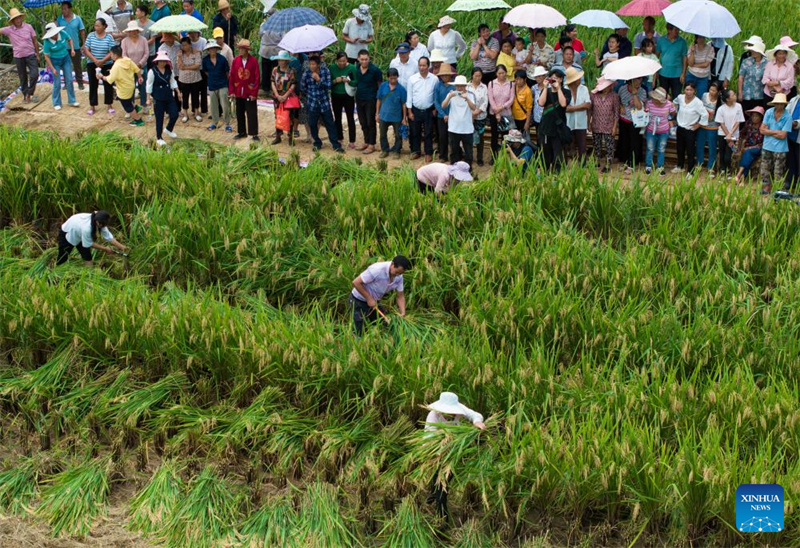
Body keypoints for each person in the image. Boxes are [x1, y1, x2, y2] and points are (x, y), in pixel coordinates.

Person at [423, 391, 485, 522]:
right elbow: (429, 440)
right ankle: (442, 517)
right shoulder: (433, 416)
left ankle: (434, 495)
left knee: (443, 482)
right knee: (441, 485)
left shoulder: (460, 409)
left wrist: (477, 422)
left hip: (453, 452)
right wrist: (444, 446)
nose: (452, 414)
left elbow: (475, 415)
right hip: (436, 453)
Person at [349, 256, 411, 335]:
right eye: (397, 272)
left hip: (374, 302)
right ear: (392, 264)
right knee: (359, 330)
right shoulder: (377, 270)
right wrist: (368, 298)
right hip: (358, 300)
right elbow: (356, 282)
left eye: (401, 273)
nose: (398, 275)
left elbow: (400, 296)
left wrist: (403, 313)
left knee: (384, 324)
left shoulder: (399, 277)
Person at [301, 55, 344, 154]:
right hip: (312, 103)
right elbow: (303, 87)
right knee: (312, 123)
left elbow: (329, 86)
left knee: (330, 124)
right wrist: (310, 95)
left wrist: (319, 80)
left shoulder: (325, 71)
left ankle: (335, 144)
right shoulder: (306, 73)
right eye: (310, 64)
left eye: (313, 64)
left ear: (318, 65)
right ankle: (317, 143)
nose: (311, 66)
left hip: (324, 103)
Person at [57, 211, 127, 266]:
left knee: (88, 257)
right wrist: (105, 249)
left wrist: (122, 247)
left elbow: (108, 236)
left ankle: (89, 276)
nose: (104, 227)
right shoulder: (86, 228)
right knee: (63, 257)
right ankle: (57, 275)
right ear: (98, 223)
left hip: (80, 231)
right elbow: (89, 244)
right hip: (68, 232)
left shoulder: (100, 218)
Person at [0, 8, 40, 104]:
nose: (18, 20)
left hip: (30, 54)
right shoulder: (9, 30)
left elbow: (35, 40)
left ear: (21, 18)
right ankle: (26, 95)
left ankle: (29, 92)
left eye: (19, 18)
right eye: (15, 19)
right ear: (12, 21)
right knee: (23, 77)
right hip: (18, 57)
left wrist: (37, 54)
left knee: (35, 74)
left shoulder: (28, 27)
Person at [101, 45, 144, 126]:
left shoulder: (116, 66)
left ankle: (138, 120)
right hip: (131, 86)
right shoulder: (127, 60)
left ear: (115, 55)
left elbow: (110, 79)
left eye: (111, 54)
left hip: (123, 89)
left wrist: (101, 77)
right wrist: (140, 77)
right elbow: (137, 69)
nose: (110, 55)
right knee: (128, 100)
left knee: (127, 106)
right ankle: (136, 108)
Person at [537, 66, 570, 171]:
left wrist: (558, 88)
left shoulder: (566, 92)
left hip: (558, 129)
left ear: (561, 79)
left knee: (558, 155)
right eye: (552, 77)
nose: (554, 79)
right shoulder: (545, 90)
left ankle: (557, 175)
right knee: (545, 154)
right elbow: (541, 103)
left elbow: (563, 103)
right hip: (545, 128)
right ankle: (545, 174)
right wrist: (545, 87)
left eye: (556, 78)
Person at [672, 82, 708, 173]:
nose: (688, 92)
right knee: (680, 148)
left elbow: (705, 115)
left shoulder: (698, 102)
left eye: (691, 90)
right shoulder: (680, 97)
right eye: (687, 89)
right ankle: (680, 166)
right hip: (680, 128)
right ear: (684, 90)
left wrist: (698, 125)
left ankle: (690, 171)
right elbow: (674, 102)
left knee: (690, 151)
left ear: (694, 91)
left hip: (690, 130)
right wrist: (675, 111)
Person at [406, 56, 438, 162]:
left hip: (429, 110)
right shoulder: (412, 79)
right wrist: (409, 112)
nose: (422, 67)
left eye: (424, 65)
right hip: (415, 110)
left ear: (428, 66)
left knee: (428, 132)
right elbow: (409, 96)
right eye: (420, 65)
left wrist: (435, 108)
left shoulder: (434, 79)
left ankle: (428, 153)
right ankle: (416, 151)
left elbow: (435, 95)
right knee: (415, 132)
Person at [760, 93, 793, 194]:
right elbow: (761, 130)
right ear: (774, 104)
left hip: (780, 148)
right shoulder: (769, 112)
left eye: (781, 104)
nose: (779, 106)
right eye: (777, 103)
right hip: (767, 146)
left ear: (784, 104)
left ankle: (778, 191)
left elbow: (783, 135)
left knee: (778, 171)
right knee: (764, 169)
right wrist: (776, 131)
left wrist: (769, 131)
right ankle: (766, 188)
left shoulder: (787, 116)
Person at [146, 50, 180, 146]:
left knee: (175, 114)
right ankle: (159, 137)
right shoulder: (152, 71)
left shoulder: (169, 70)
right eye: (161, 61)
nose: (162, 63)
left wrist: (178, 92)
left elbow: (172, 81)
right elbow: (149, 85)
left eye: (164, 61)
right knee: (159, 118)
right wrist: (148, 98)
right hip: (158, 97)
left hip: (169, 95)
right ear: (157, 61)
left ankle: (169, 129)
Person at [42, 23, 79, 111]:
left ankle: (72, 100)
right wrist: (53, 68)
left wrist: (72, 49)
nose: (54, 36)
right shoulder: (47, 42)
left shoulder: (62, 33)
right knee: (57, 83)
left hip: (66, 58)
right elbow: (46, 56)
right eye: (52, 35)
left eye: (55, 34)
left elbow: (69, 39)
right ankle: (57, 103)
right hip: (54, 61)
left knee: (69, 79)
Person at [442, 74, 477, 166]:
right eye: (457, 86)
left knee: (468, 152)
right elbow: (443, 105)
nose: (459, 88)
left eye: (461, 86)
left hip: (467, 128)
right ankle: (454, 171)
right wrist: (450, 96)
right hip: (454, 128)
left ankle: (468, 170)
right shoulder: (451, 94)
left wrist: (467, 98)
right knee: (454, 151)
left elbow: (473, 107)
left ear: (465, 86)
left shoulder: (470, 95)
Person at [83, 18, 116, 115]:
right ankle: (92, 106)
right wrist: (95, 60)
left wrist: (102, 61)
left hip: (107, 64)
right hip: (92, 64)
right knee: (93, 84)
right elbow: (86, 49)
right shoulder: (91, 36)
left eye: (98, 25)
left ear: (104, 26)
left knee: (108, 84)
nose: (96, 27)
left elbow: (112, 51)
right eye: (95, 25)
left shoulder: (109, 37)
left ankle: (109, 104)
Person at [230, 39, 260, 141]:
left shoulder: (253, 61)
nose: (240, 50)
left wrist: (254, 93)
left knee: (251, 113)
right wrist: (232, 91)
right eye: (239, 48)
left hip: (249, 91)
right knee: (239, 112)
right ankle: (241, 132)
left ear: (247, 50)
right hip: (238, 91)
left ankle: (254, 133)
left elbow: (257, 78)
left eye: (242, 49)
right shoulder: (235, 61)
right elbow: (232, 76)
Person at [354, 49, 382, 154]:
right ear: (358, 59)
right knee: (362, 121)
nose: (364, 61)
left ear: (369, 59)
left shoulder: (375, 70)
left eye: (366, 59)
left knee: (371, 122)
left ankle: (372, 144)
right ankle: (366, 141)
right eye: (362, 59)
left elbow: (380, 85)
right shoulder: (356, 68)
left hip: (371, 99)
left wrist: (379, 100)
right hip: (359, 98)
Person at [376, 67, 407, 159]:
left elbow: (403, 104)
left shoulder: (401, 89)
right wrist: (377, 113)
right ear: (388, 77)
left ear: (397, 77)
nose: (393, 79)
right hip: (383, 116)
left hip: (396, 116)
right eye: (391, 78)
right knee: (382, 134)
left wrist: (404, 118)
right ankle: (385, 150)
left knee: (398, 135)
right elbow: (379, 100)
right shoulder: (383, 86)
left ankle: (397, 151)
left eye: (395, 77)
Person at [617, 77, 647, 174]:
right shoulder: (622, 88)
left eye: (640, 79)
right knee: (625, 142)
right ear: (630, 81)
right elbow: (618, 100)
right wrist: (620, 106)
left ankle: (632, 164)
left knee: (634, 143)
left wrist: (634, 94)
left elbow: (639, 107)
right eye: (637, 79)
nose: (640, 81)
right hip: (623, 119)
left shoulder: (642, 91)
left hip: (635, 121)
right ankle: (625, 162)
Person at [589, 78, 619, 173]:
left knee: (609, 145)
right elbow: (590, 110)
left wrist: (615, 127)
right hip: (596, 123)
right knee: (596, 144)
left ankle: (608, 163)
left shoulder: (614, 96)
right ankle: (597, 161)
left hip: (609, 124)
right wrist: (589, 122)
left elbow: (616, 113)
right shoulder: (594, 96)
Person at [643, 87, 675, 175]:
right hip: (651, 129)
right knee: (650, 148)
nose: (655, 100)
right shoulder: (649, 103)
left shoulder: (668, 104)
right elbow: (645, 113)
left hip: (664, 130)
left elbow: (673, 114)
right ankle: (648, 166)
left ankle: (660, 167)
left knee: (661, 149)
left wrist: (673, 107)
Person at [269, 50, 298, 145]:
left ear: (287, 61)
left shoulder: (292, 71)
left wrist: (285, 95)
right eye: (280, 60)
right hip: (277, 97)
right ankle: (278, 136)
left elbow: (293, 84)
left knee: (290, 117)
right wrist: (277, 95)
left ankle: (291, 137)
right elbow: (272, 82)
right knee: (278, 115)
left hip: (288, 97)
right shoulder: (274, 70)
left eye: (283, 60)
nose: (281, 62)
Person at [715, 89, 745, 178]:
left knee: (728, 155)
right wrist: (727, 134)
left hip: (733, 135)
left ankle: (728, 171)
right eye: (733, 95)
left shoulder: (738, 106)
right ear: (728, 99)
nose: (735, 95)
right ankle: (722, 170)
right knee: (722, 152)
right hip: (722, 134)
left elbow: (738, 121)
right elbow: (721, 123)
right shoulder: (721, 109)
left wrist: (730, 134)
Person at [330, 51, 357, 149]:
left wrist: (349, 81)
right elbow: (328, 83)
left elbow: (356, 82)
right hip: (336, 95)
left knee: (350, 117)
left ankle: (352, 140)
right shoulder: (332, 68)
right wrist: (335, 81)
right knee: (337, 118)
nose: (342, 63)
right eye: (340, 61)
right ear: (336, 61)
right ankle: (339, 137)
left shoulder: (352, 67)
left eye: (344, 61)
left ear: (347, 60)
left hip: (348, 95)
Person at [121, 21, 148, 114]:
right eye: (131, 30)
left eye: (134, 30)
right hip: (129, 68)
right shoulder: (124, 41)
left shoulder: (143, 40)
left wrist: (140, 64)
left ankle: (144, 105)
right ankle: (130, 107)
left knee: (143, 87)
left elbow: (146, 53)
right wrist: (132, 65)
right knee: (130, 87)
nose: (133, 32)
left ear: (137, 30)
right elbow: (124, 55)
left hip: (142, 66)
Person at [203, 41, 230, 132]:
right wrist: (212, 77)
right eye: (210, 49)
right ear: (208, 50)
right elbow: (206, 71)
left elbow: (227, 72)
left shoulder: (222, 59)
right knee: (213, 106)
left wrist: (223, 81)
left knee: (225, 105)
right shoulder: (205, 60)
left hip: (222, 84)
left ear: (217, 49)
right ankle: (214, 123)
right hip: (212, 85)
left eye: (214, 48)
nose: (212, 50)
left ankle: (227, 123)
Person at [57, 2, 86, 90]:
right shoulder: (59, 19)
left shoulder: (77, 19)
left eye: (65, 8)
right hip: (63, 47)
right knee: (65, 66)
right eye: (62, 9)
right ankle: (67, 83)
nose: (63, 10)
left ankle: (80, 83)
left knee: (77, 65)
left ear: (70, 9)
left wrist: (84, 43)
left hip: (75, 46)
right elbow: (56, 32)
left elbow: (82, 31)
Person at [487, 63, 514, 159]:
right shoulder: (491, 84)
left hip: (506, 114)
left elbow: (511, 99)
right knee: (494, 136)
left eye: (503, 73)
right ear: (496, 74)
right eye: (499, 73)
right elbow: (490, 98)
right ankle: (493, 157)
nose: (501, 75)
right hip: (494, 114)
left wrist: (501, 108)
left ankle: (504, 157)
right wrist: (497, 112)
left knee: (505, 137)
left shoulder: (511, 84)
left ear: (506, 73)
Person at [696, 81, 721, 177]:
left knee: (712, 148)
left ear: (718, 92)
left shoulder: (720, 100)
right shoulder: (704, 95)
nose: (711, 92)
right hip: (702, 125)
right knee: (699, 145)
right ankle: (699, 164)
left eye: (714, 90)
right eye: (710, 89)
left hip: (713, 127)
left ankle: (711, 167)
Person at [656, 24, 688, 99]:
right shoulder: (661, 40)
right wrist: (656, 70)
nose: (677, 32)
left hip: (677, 74)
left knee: (677, 97)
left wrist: (683, 73)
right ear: (669, 30)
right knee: (663, 96)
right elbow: (656, 56)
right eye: (675, 30)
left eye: (678, 29)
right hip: (663, 73)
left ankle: (675, 110)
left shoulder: (682, 42)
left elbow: (685, 58)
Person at [564, 67, 589, 159]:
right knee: (568, 145)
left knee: (582, 146)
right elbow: (564, 108)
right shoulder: (564, 90)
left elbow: (587, 105)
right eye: (577, 78)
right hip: (568, 123)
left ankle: (583, 165)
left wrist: (572, 108)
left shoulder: (584, 89)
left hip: (581, 122)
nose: (579, 79)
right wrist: (580, 107)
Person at [735, 106, 764, 183]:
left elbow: (764, 142)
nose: (754, 118)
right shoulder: (749, 123)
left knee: (747, 152)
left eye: (756, 116)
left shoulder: (763, 126)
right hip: (747, 147)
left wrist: (749, 148)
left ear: (760, 117)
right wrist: (739, 146)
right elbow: (741, 134)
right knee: (748, 156)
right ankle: (743, 178)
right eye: (753, 116)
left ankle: (738, 174)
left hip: (758, 148)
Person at [176, 36, 202, 122]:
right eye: (183, 45)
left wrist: (186, 67)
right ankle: (185, 114)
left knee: (195, 95)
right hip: (184, 79)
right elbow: (179, 66)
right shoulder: (180, 53)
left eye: (186, 45)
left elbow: (197, 65)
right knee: (185, 96)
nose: (184, 47)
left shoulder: (196, 52)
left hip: (195, 78)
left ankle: (196, 113)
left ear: (190, 44)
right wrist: (179, 57)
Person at [433, 64, 455, 162]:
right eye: (443, 75)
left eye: (447, 75)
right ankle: (443, 156)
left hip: (453, 116)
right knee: (442, 136)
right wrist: (443, 114)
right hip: (441, 116)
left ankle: (454, 156)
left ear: (450, 75)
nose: (445, 77)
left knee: (453, 137)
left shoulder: (454, 86)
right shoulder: (437, 86)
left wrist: (450, 115)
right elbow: (436, 102)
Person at [738, 42, 768, 113]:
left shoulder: (767, 62)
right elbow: (741, 77)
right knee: (745, 112)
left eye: (755, 51)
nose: (753, 52)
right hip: (747, 93)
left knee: (758, 114)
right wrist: (740, 92)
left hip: (760, 94)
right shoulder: (746, 61)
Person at [258, 9, 281, 95]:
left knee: (265, 69)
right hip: (276, 51)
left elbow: (260, 35)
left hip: (265, 50)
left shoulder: (263, 25)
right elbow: (282, 38)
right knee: (275, 70)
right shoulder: (280, 27)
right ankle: (274, 87)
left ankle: (265, 88)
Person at [468, 67, 488, 166]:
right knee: (469, 138)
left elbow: (485, 102)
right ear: (472, 75)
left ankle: (480, 158)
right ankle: (469, 157)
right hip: (468, 117)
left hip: (480, 116)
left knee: (480, 138)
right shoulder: (467, 86)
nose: (477, 78)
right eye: (476, 76)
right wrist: (471, 113)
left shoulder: (484, 87)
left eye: (479, 76)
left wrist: (477, 111)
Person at [785, 94, 800, 190]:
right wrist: (787, 121)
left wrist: (796, 123)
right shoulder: (794, 99)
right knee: (790, 161)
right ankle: (789, 183)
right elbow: (786, 112)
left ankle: (798, 186)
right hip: (790, 135)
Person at [510, 69, 532, 134]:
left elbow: (529, 108)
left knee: (523, 138)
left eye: (520, 79)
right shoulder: (513, 87)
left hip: (523, 118)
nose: (518, 81)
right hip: (513, 117)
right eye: (516, 79)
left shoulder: (528, 91)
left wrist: (527, 123)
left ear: (525, 79)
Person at [530, 65, 547, 138]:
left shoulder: (549, 88)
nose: (538, 78)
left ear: (544, 76)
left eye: (540, 76)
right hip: (536, 117)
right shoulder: (534, 88)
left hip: (546, 117)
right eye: (537, 76)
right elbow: (532, 101)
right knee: (539, 137)